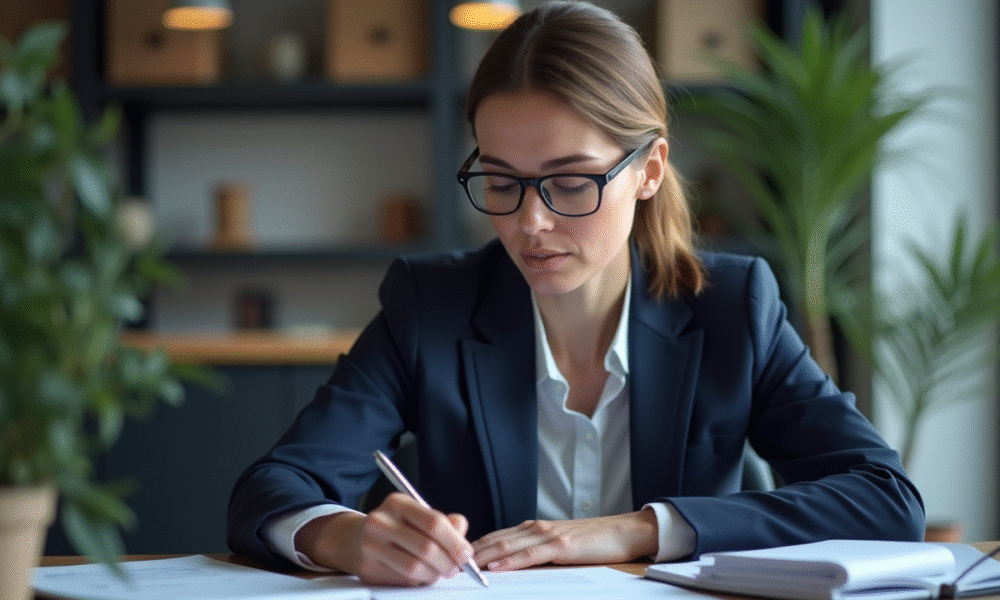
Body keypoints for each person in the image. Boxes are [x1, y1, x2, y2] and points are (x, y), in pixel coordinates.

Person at [227, 0, 924, 587]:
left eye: (569, 182)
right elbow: (274, 487)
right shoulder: (429, 306)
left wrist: (638, 530)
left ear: (648, 171)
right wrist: (346, 539)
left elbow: (886, 498)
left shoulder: (733, 308)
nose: (530, 223)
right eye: (501, 182)